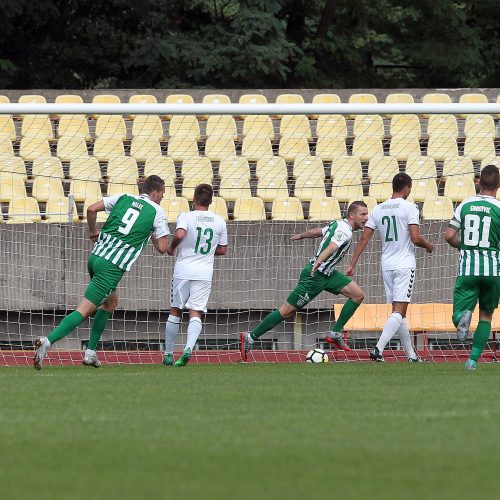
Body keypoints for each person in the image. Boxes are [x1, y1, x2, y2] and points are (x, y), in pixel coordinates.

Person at [33, 175, 169, 370]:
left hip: (96, 257)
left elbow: (90, 209)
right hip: (111, 267)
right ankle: (47, 341)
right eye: (162, 194)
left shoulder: (123, 197)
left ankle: (90, 352)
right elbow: (162, 248)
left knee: (110, 302)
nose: (162, 198)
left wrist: (92, 231)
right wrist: (153, 232)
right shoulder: (157, 212)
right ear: (155, 193)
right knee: (84, 310)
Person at [240, 201, 369, 362]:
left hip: (328, 274)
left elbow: (318, 231)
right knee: (286, 311)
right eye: (362, 214)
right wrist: (319, 261)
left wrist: (302, 235)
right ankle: (251, 337)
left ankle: (335, 333)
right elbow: (332, 246)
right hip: (315, 276)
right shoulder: (346, 232)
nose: (366, 218)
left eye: (366, 214)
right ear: (352, 215)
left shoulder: (338, 224)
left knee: (357, 295)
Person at [347, 173, 434, 362]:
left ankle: (411, 355)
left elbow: (364, 238)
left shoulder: (378, 209)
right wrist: (429, 246)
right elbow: (415, 238)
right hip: (404, 264)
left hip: (387, 265)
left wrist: (352, 263)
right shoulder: (410, 207)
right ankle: (378, 349)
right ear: (407, 188)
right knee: (399, 310)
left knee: (399, 312)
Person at [163, 184, 228, 367]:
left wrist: (173, 246)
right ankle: (189, 348)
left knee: (175, 310)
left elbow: (180, 233)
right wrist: (206, 253)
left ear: (194, 199)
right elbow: (222, 250)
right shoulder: (219, 221)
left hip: (183, 270)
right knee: (196, 312)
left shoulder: (186, 216)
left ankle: (168, 354)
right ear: (211, 201)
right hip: (204, 272)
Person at [444, 164, 500, 370]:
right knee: (486, 315)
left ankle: (461, 318)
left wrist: (464, 245)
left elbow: (449, 236)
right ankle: (472, 361)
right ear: (498, 185)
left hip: (468, 267)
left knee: (458, 313)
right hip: (493, 269)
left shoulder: (465, 206)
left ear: (479, 183)